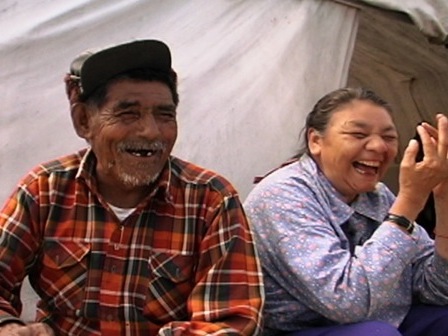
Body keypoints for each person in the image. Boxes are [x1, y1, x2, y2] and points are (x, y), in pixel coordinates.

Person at [0, 39, 264, 335]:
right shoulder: (45, 189)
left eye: (165, 115)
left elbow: (229, 322)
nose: (151, 131)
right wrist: (9, 326)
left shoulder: (212, 200)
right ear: (84, 121)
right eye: (128, 114)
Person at [243, 87, 448, 336]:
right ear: (315, 141)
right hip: (300, 330)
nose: (378, 146)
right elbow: (346, 302)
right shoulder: (282, 195)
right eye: (358, 134)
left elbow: (436, 289)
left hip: (378, 321)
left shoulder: (378, 195)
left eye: (389, 137)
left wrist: (443, 199)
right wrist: (411, 201)